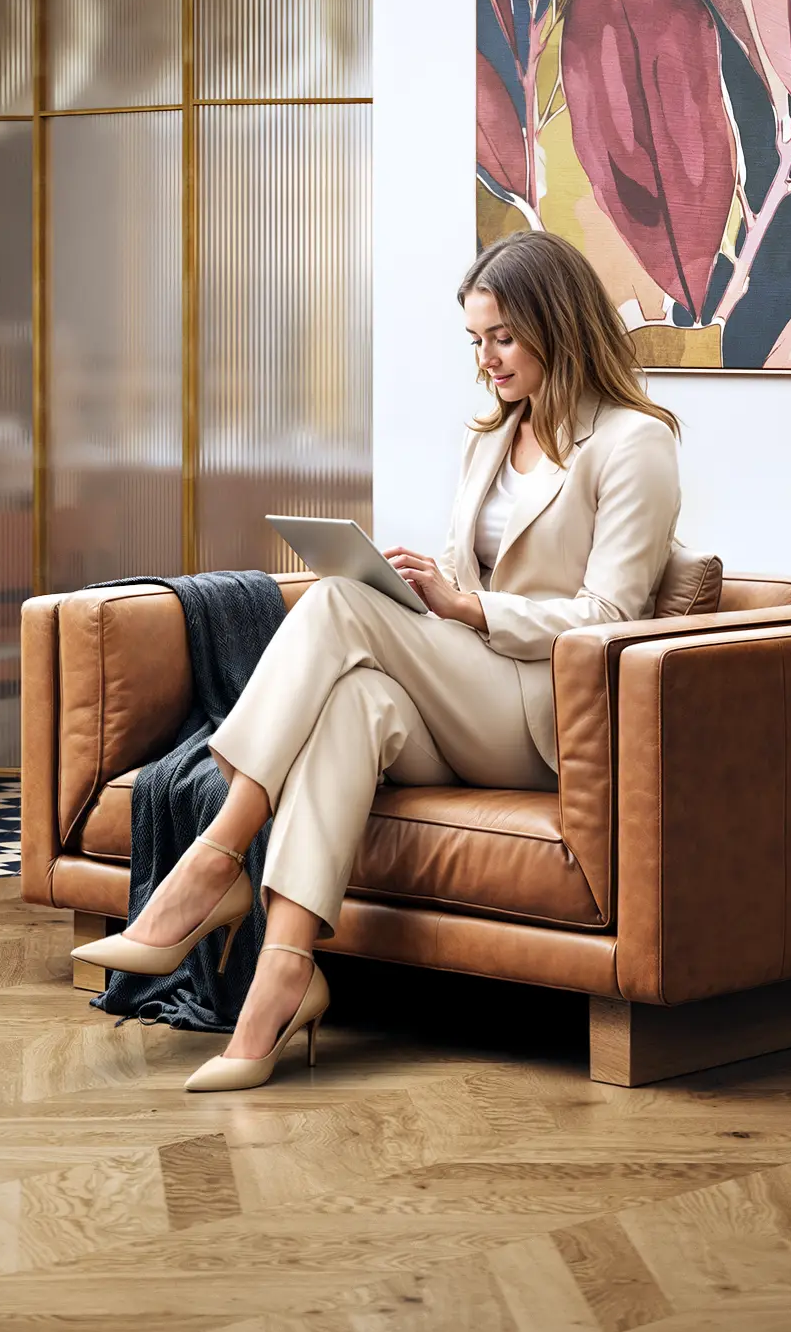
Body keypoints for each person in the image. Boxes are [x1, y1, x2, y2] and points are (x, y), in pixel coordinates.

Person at [72, 229, 682, 1092]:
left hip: (543, 719)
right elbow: (469, 571)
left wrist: (467, 608)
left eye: (504, 337)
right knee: (355, 699)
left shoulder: (633, 443)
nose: (487, 360)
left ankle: (213, 860)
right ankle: (285, 973)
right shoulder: (491, 437)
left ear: (559, 324)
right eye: (476, 340)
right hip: (468, 693)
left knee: (337, 601)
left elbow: (610, 619)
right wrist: (429, 587)